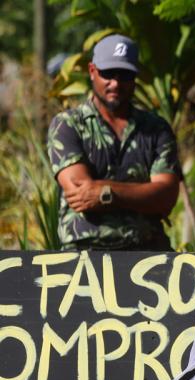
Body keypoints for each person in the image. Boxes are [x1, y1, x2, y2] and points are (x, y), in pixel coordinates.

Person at [47, 34, 181, 250]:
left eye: (125, 75)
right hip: (85, 254)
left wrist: (104, 192)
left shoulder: (156, 128)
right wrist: (143, 192)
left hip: (147, 255)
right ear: (92, 71)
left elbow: (166, 197)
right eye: (107, 73)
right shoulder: (69, 125)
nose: (115, 83)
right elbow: (80, 192)